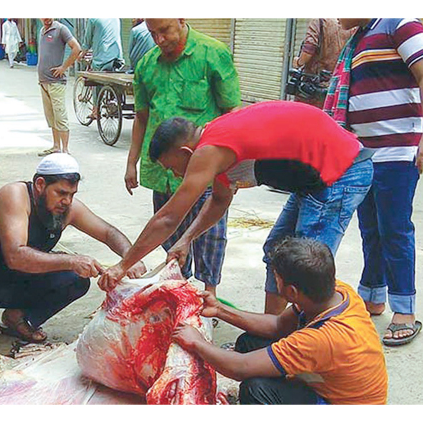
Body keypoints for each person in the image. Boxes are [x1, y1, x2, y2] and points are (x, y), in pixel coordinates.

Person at [101, 101, 373, 316]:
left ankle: (310, 352)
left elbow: (168, 218)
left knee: (306, 270)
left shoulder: (208, 150)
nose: (177, 176)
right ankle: (273, 334)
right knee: (277, 253)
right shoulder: (219, 149)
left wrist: (122, 266)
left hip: (342, 172)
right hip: (313, 180)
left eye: (173, 168)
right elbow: (219, 201)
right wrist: (186, 241)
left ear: (186, 152)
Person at [0, 154, 148, 369]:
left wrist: (129, 259)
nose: (67, 201)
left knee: (77, 280)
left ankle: (17, 319)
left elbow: (108, 232)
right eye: (61, 193)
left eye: (72, 194)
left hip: (20, 282)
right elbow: (16, 256)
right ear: (40, 184)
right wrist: (72, 260)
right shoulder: (14, 195)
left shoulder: (67, 208)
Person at [326, 19, 423, 346]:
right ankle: (372, 296)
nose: (336, 17)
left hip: (398, 150)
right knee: (371, 229)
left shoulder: (399, 22)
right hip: (364, 153)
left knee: (394, 228)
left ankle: (404, 309)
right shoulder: (360, 38)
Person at [172, 238, 387, 404]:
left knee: (256, 389)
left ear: (291, 291)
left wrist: (197, 343)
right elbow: (278, 326)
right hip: (331, 382)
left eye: (276, 277)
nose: (274, 280)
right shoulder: (334, 291)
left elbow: (240, 368)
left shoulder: (321, 339)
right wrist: (220, 310)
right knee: (249, 342)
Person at [124, 18, 240, 296]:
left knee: (210, 236)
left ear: (181, 19)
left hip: (203, 168)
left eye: (165, 30)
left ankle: (209, 295)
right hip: (163, 172)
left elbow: (231, 112)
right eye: (153, 33)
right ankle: (181, 292)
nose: (160, 40)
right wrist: (132, 162)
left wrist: (231, 170)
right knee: (169, 234)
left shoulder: (212, 54)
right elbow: (141, 117)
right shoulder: (147, 64)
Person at [36, 18, 82, 156]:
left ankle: (65, 150)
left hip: (56, 82)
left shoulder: (61, 29)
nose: (46, 18)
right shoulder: (42, 31)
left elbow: (77, 48)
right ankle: (56, 146)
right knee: (51, 116)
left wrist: (64, 67)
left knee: (60, 115)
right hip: (43, 81)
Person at [290, 18, 355, 107]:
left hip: (311, 88)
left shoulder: (319, 20)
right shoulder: (349, 24)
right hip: (335, 86)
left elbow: (308, 50)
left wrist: (298, 62)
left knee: (304, 118)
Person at [82, 18, 124, 121]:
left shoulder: (93, 19)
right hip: (117, 58)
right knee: (116, 81)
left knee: (96, 81)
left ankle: (95, 111)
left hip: (102, 58)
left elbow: (87, 41)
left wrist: (82, 54)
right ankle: (115, 100)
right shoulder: (116, 18)